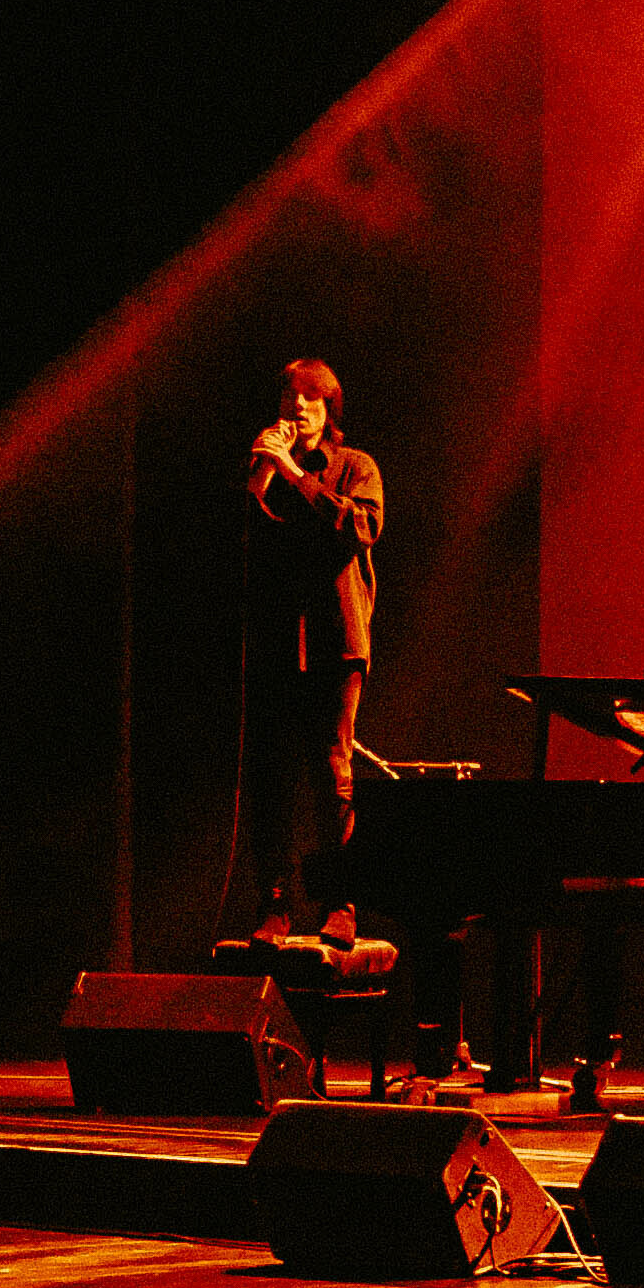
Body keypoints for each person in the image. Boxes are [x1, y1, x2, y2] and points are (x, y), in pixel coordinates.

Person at [230, 356, 383, 951]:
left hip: (334, 638)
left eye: (310, 403)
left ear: (329, 410)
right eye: (291, 402)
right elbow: (245, 535)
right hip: (274, 639)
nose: (299, 411)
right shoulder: (269, 468)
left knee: (332, 773)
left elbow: (357, 530)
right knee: (270, 777)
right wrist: (263, 474)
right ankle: (273, 904)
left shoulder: (355, 467)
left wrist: (294, 471)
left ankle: (340, 902)